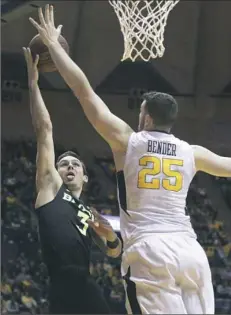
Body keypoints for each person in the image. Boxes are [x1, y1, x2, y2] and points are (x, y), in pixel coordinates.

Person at [29, 5, 231, 314]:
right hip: (190, 251)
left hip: (150, 252)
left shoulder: (128, 141)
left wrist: (54, 47)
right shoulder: (192, 152)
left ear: (147, 117)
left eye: (140, 112)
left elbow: (83, 92)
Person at [22, 46, 122, 314]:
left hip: (84, 281)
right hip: (63, 282)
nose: (69, 166)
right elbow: (44, 130)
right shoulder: (50, 188)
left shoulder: (89, 212)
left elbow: (114, 252)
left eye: (75, 164)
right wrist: (33, 84)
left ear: (85, 176)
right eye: (63, 163)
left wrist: (110, 236)